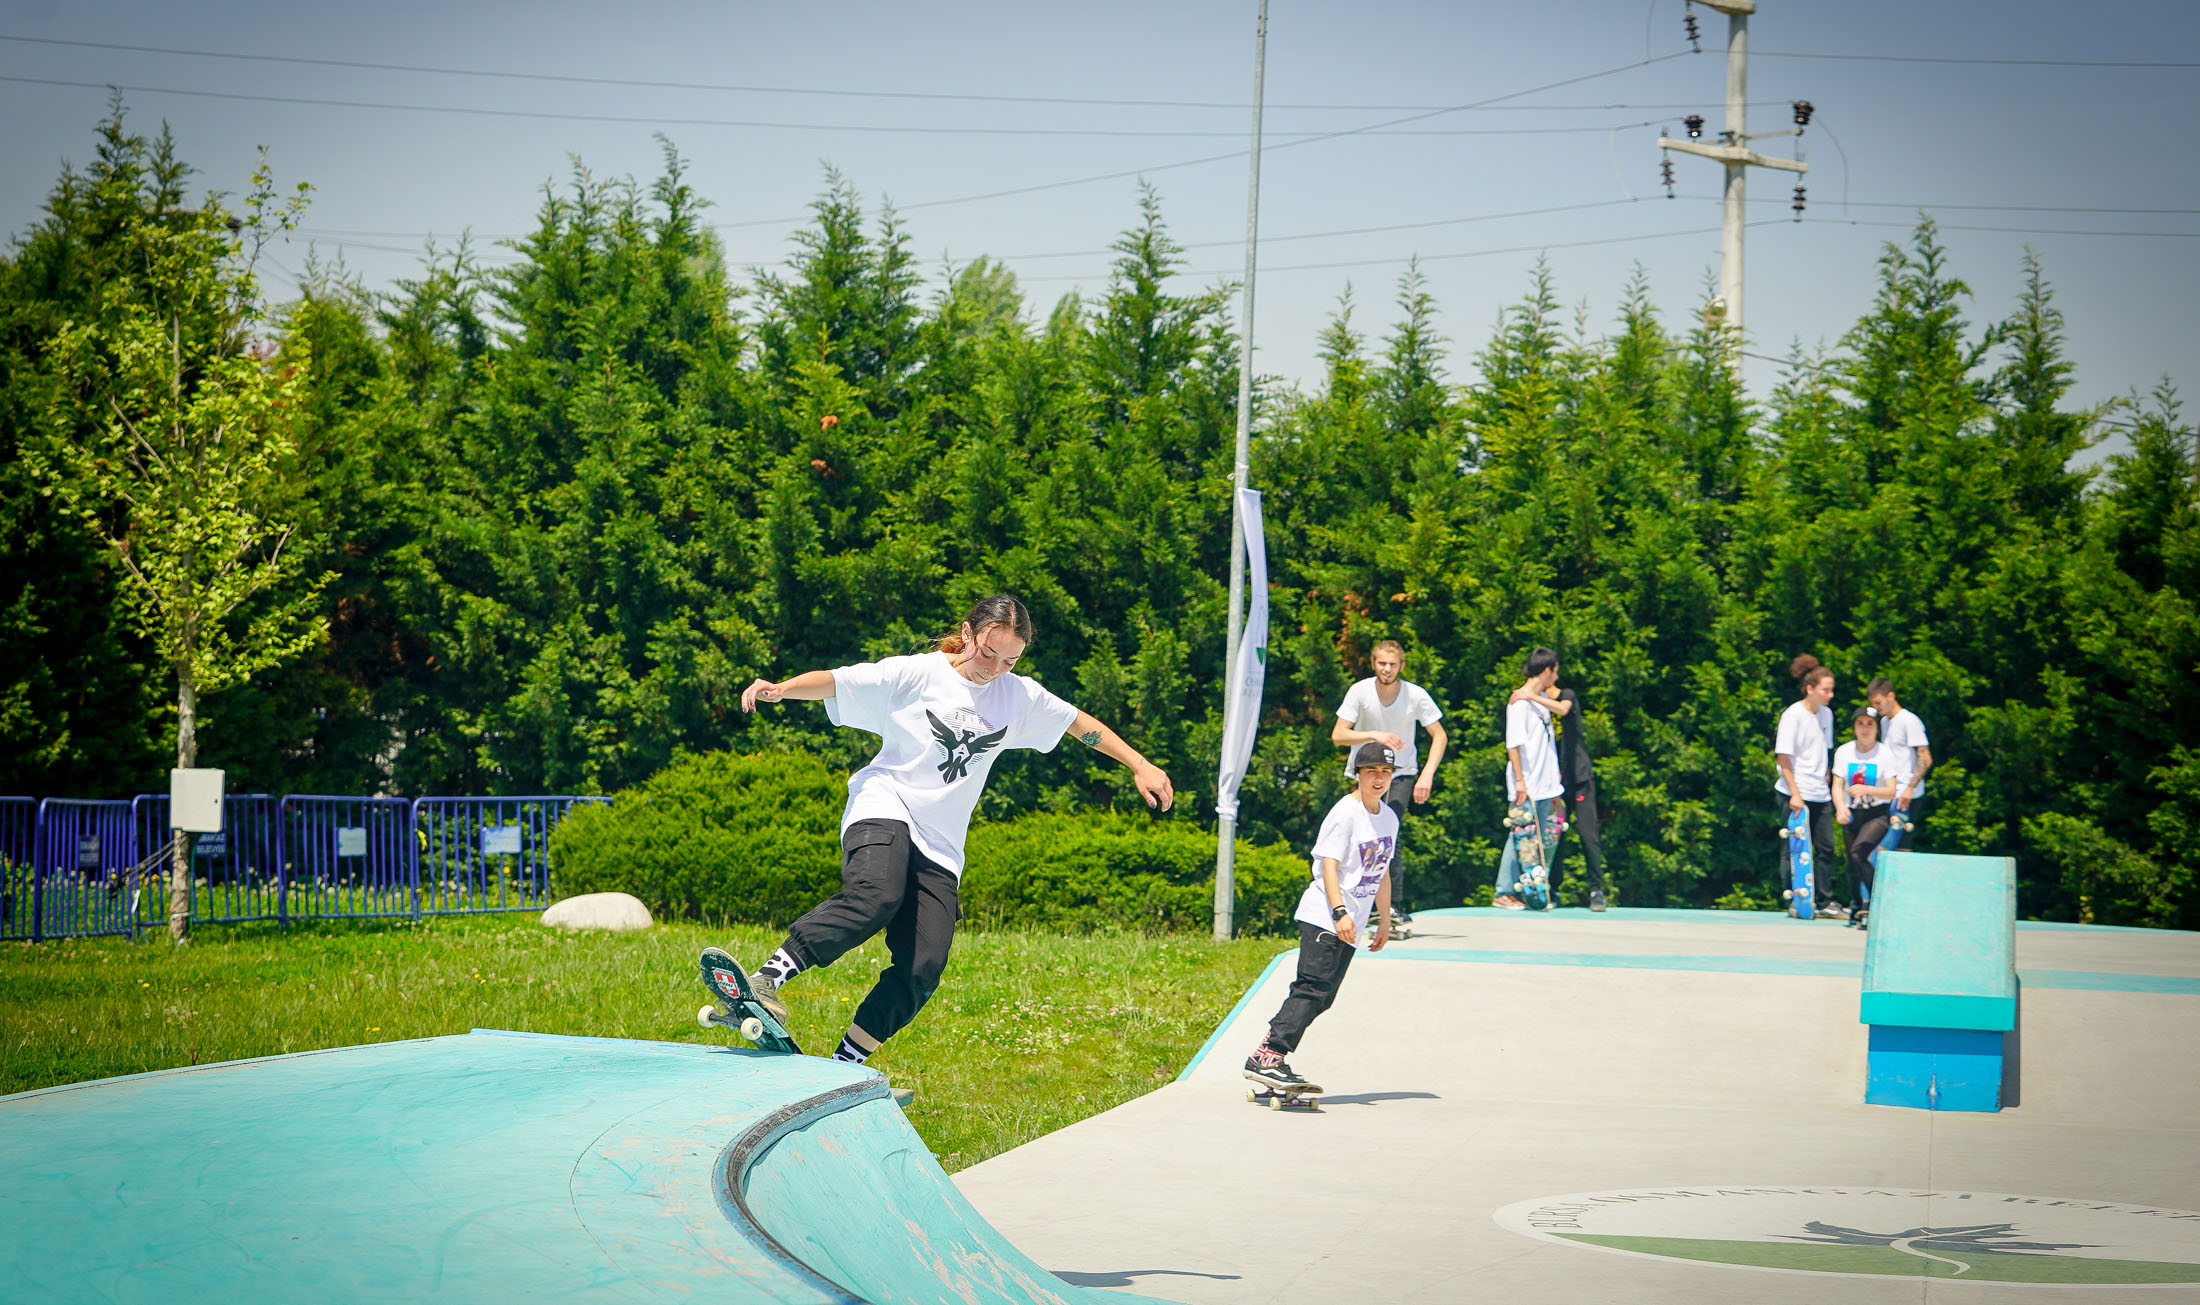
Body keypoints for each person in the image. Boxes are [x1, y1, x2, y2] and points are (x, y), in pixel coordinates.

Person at [734, 594, 1175, 1066]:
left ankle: (844, 1063)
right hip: (885, 802)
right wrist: (782, 688)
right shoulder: (917, 673)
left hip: (941, 841)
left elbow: (1077, 724)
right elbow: (839, 682)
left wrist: (1139, 763)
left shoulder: (1018, 695)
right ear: (967, 633)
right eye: (989, 653)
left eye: (1011, 660)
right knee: (876, 894)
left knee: (924, 967)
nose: (996, 668)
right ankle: (767, 980)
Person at [1243, 740, 1397, 1094]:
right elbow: (1329, 865)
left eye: (1385, 773)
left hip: (1353, 921)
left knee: (1324, 995)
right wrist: (1340, 911)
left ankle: (1270, 1055)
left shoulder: (1388, 818)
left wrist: (1384, 919)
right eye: (1371, 772)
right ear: (1357, 774)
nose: (1379, 779)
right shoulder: (1345, 813)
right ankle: (1268, 1056)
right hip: (1325, 916)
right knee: (1313, 987)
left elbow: (1382, 870)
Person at [1329, 639, 1447, 930]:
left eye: (1392, 664)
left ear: (1401, 666)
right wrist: (1375, 735)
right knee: (1360, 832)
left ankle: (1393, 906)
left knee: (1389, 834)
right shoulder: (1360, 691)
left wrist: (1427, 774)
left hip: (1401, 772)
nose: (1387, 669)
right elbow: (1338, 735)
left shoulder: (1415, 695)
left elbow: (1439, 736)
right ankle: (1356, 899)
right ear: (1374, 663)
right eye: (1382, 663)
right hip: (1364, 773)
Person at [1495, 647, 1567, 911]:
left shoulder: (1538, 700)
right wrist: (1520, 781)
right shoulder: (1519, 705)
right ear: (1547, 670)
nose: (1556, 678)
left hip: (1546, 784)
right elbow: (1513, 744)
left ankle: (1529, 890)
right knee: (1520, 835)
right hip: (1527, 783)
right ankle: (1502, 891)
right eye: (1555, 671)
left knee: (1535, 840)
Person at [1773, 654, 1844, 918]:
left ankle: (1825, 902)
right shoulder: (1793, 715)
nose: (1830, 694)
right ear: (1810, 688)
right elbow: (1783, 757)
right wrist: (1796, 794)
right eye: (1826, 689)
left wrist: (1824, 775)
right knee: (1794, 848)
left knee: (1826, 847)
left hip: (1819, 792)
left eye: (1831, 689)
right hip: (1794, 791)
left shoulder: (1826, 715)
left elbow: (1824, 749)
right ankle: (1795, 901)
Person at [1831, 706, 1901, 928]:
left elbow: (1891, 791)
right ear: (1854, 727)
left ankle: (1875, 902)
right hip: (1852, 812)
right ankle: (1855, 905)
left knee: (1858, 852)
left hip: (1877, 814)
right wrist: (1840, 807)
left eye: (1869, 724)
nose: (1865, 729)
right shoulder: (1844, 752)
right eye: (1860, 724)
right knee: (1852, 864)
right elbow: (1837, 784)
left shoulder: (1885, 754)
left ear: (1877, 729)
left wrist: (1866, 789)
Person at [1865, 677, 1933, 839]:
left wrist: (1909, 789)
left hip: (1906, 795)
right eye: (1873, 703)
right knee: (1883, 846)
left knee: (1901, 845)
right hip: (1889, 793)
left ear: (1891, 696)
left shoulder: (1909, 721)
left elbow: (1925, 757)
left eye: (1878, 702)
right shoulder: (1884, 722)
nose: (1876, 707)